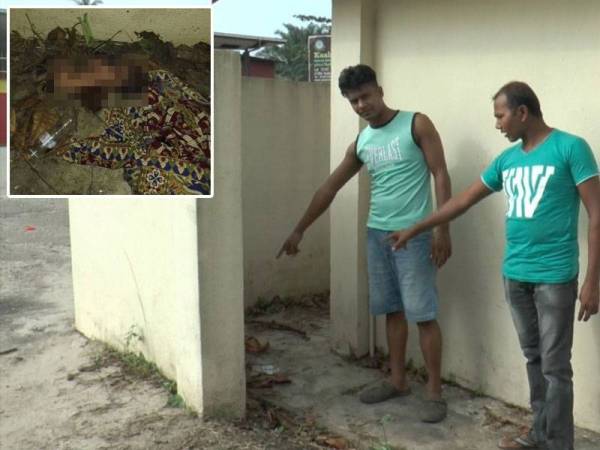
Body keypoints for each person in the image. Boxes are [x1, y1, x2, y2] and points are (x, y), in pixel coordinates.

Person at [387, 81, 600, 449]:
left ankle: (559, 443)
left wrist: (593, 281)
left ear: (522, 112)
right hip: (514, 275)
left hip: (555, 276)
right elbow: (464, 200)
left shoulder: (571, 148)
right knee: (534, 358)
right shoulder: (508, 160)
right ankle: (540, 431)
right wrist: (419, 226)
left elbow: (597, 215)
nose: (497, 124)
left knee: (555, 367)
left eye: (500, 116)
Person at [277, 64, 453, 423]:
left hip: (414, 235)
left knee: (423, 314)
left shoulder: (416, 124)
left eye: (366, 96)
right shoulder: (362, 142)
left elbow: (440, 173)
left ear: (380, 90)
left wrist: (441, 229)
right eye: (353, 101)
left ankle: (434, 392)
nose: (361, 105)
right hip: (377, 234)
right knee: (392, 310)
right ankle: (398, 380)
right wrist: (300, 229)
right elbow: (330, 187)